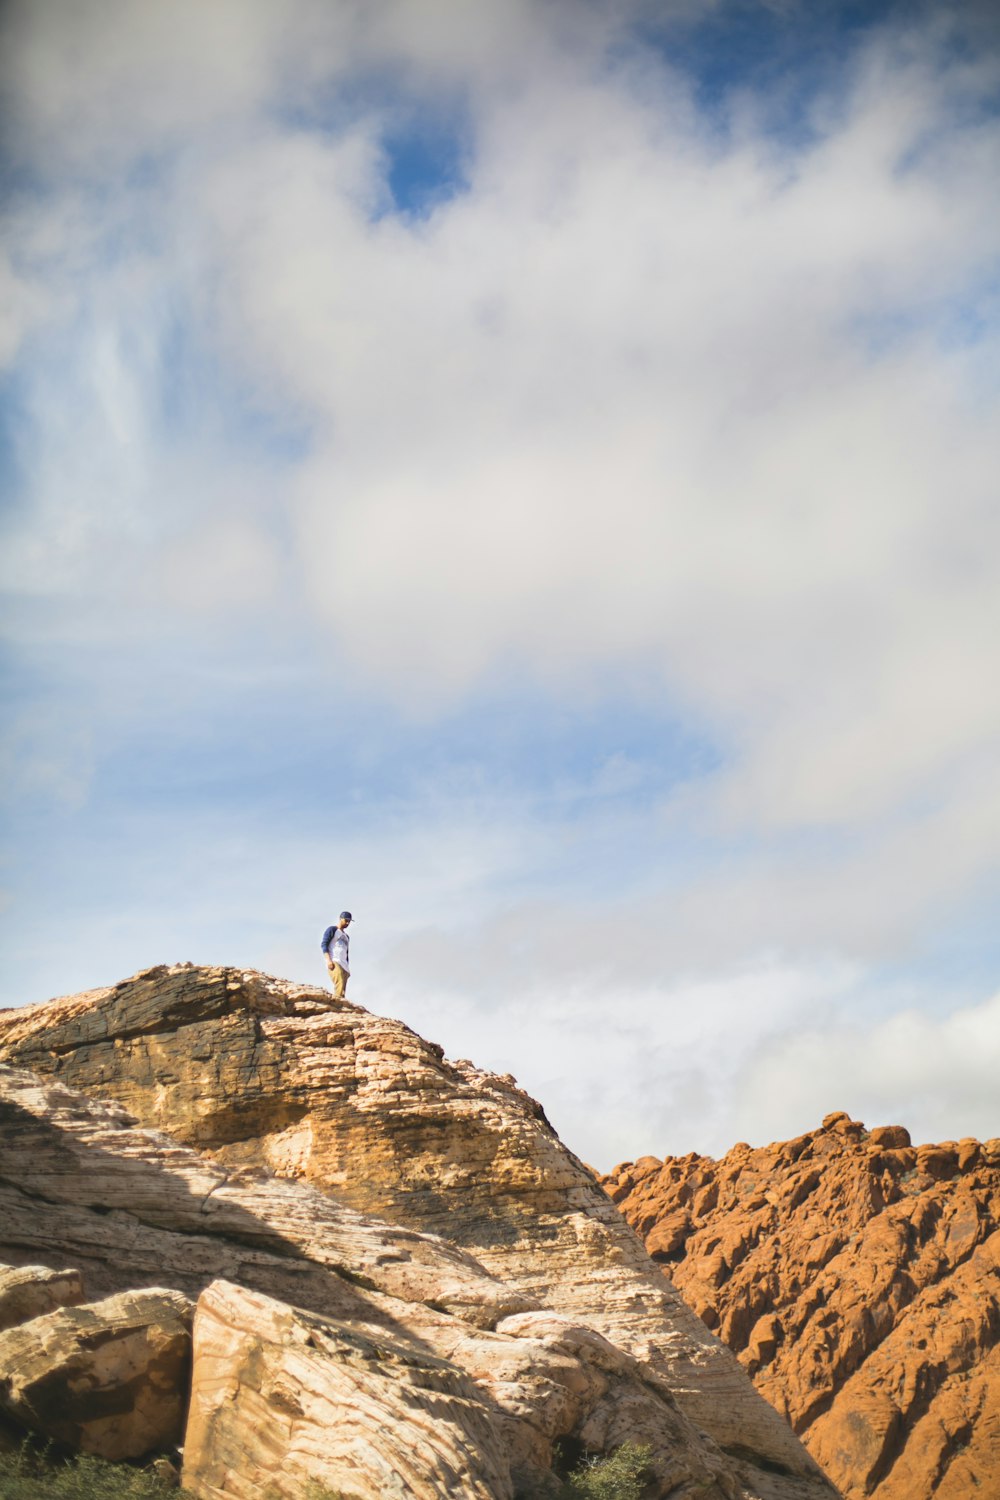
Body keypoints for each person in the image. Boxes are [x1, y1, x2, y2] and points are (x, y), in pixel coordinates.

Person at [321, 911, 353, 999]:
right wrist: (328, 960)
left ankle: (341, 1004)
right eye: (346, 920)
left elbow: (346, 952)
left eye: (349, 921)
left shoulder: (346, 936)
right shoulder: (332, 930)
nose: (347, 923)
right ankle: (337, 1004)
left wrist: (347, 967)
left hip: (344, 965)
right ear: (340, 919)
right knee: (339, 983)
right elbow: (324, 944)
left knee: (342, 989)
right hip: (335, 961)